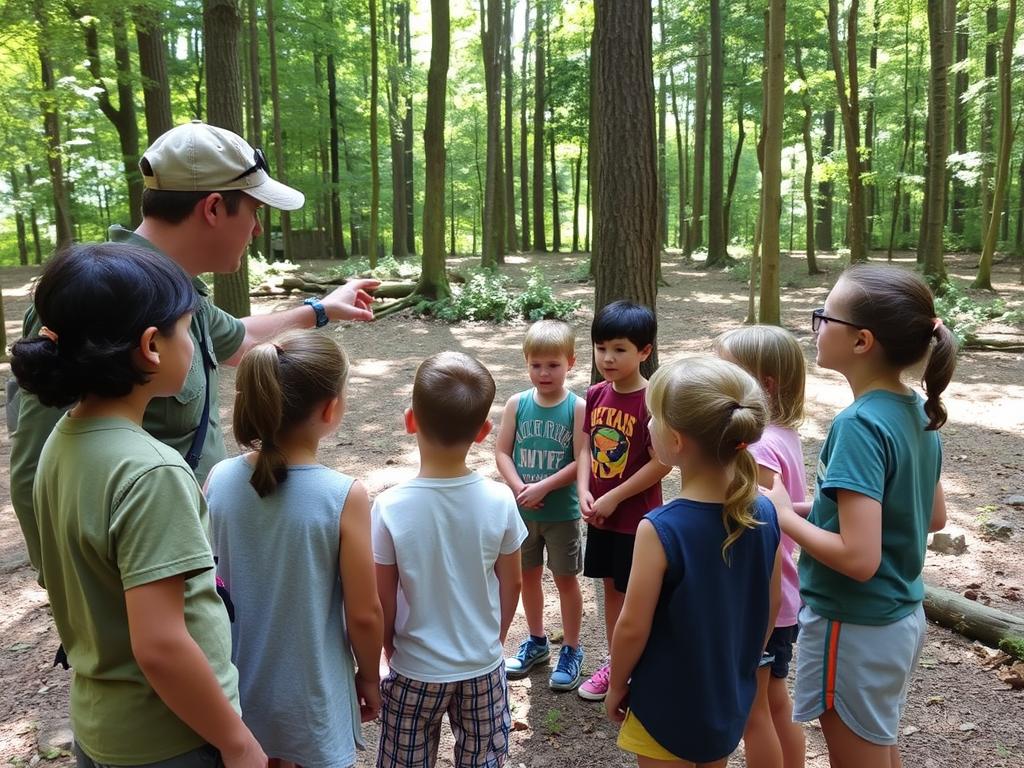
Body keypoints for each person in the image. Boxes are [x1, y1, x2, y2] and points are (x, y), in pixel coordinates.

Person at [10, 120, 380, 573]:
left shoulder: (179, 293)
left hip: (184, 560)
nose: (257, 229)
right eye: (254, 211)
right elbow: (36, 464)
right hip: (139, 576)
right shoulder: (97, 298)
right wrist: (69, 583)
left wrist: (322, 309)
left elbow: (238, 340)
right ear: (214, 207)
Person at [10, 243, 265, 768]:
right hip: (172, 739)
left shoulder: (63, 439)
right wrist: (237, 742)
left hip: (102, 726)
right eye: (188, 330)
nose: (194, 346)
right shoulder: (152, 472)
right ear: (151, 346)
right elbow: (161, 647)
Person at [765, 264, 956, 768]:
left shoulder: (859, 424)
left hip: (853, 625)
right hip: (899, 618)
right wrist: (809, 509)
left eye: (824, 316)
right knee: (879, 747)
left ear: (861, 341)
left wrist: (782, 514)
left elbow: (858, 558)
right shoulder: (916, 409)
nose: (816, 326)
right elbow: (930, 514)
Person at [205, 330, 383, 768]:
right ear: (330, 408)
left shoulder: (218, 480)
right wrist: (369, 676)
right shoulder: (343, 496)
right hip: (311, 696)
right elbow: (364, 613)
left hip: (235, 691)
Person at [606, 356, 783, 768]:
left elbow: (632, 626)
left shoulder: (660, 529)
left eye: (653, 415)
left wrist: (616, 684)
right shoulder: (765, 511)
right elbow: (771, 604)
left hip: (665, 702)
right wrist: (738, 664)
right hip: (725, 697)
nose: (648, 423)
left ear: (676, 440)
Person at [372, 351, 528, 768]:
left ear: (410, 421)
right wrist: (494, 639)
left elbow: (382, 598)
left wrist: (389, 649)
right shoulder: (500, 500)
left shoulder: (389, 507)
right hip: (482, 666)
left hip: (414, 668)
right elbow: (512, 582)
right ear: (484, 431)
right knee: (483, 759)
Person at [716, 326, 808, 768]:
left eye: (727, 373)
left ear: (763, 386)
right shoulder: (782, 433)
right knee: (774, 699)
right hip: (782, 595)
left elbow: (756, 521)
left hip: (763, 598)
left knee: (755, 711)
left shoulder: (760, 446)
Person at [575, 301, 671, 701]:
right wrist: (584, 490)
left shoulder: (652, 401)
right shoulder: (596, 394)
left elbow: (662, 462)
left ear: (644, 351)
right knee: (612, 590)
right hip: (602, 517)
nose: (607, 358)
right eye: (601, 348)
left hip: (637, 521)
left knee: (638, 596)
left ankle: (640, 667)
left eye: (619, 349)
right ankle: (617, 664)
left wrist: (613, 497)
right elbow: (585, 448)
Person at [496, 320, 587, 690]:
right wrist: (520, 487)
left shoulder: (577, 407)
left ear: (570, 363)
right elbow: (502, 452)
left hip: (561, 514)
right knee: (527, 577)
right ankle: (536, 641)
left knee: (565, 579)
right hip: (523, 513)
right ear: (526, 364)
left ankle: (572, 648)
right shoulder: (517, 404)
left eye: (553, 365)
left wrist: (544, 487)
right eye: (536, 365)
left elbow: (582, 460)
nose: (544, 373)